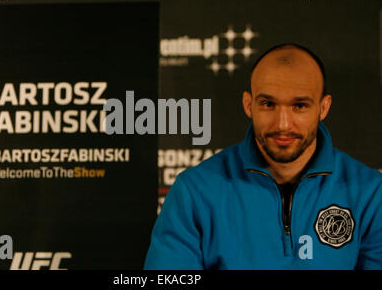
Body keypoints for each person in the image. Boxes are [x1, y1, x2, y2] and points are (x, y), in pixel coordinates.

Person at [144, 44, 382, 269]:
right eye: (268, 104)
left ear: (324, 107)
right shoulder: (195, 192)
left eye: (299, 106)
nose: (283, 124)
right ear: (248, 105)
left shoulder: (370, 194)